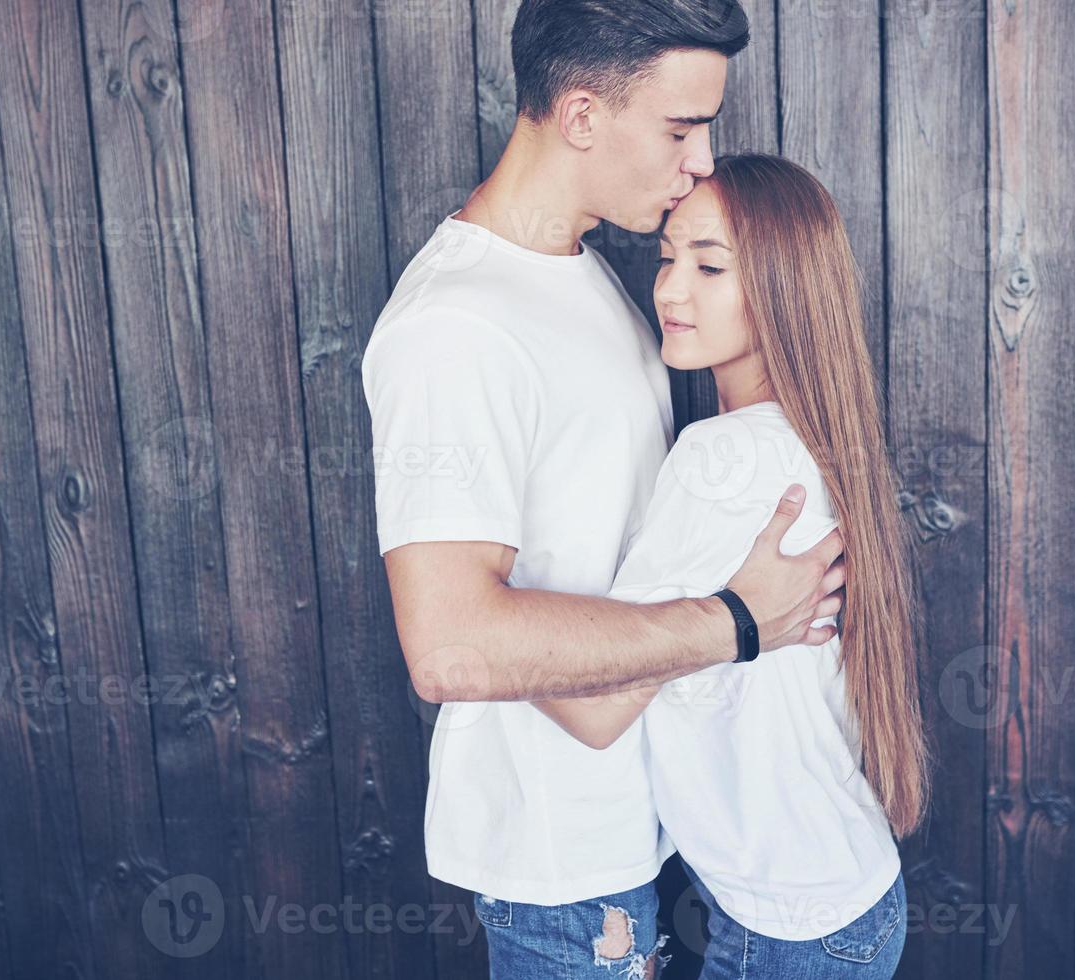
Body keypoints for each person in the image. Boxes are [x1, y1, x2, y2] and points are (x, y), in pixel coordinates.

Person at [360, 2, 848, 976]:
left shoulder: (577, 276)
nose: (702, 160)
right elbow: (451, 646)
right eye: (679, 128)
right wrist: (742, 621)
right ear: (581, 117)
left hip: (646, 839)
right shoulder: (454, 329)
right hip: (566, 879)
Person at [535, 154, 932, 978]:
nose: (671, 291)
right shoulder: (809, 438)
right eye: (668, 257)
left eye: (711, 266)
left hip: (790, 934)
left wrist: (474, 616)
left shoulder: (725, 460)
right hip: (843, 901)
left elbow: (598, 710)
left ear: (784, 286)